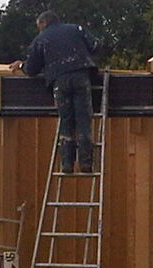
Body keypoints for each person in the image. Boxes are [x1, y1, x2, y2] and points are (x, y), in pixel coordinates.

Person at [10, 11, 99, 174]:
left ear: (44, 23)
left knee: (66, 122)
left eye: (39, 27)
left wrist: (21, 65)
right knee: (84, 120)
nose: (39, 30)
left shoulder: (41, 39)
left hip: (60, 81)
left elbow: (32, 69)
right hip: (81, 76)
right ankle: (86, 164)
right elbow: (95, 46)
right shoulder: (75, 29)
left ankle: (67, 164)